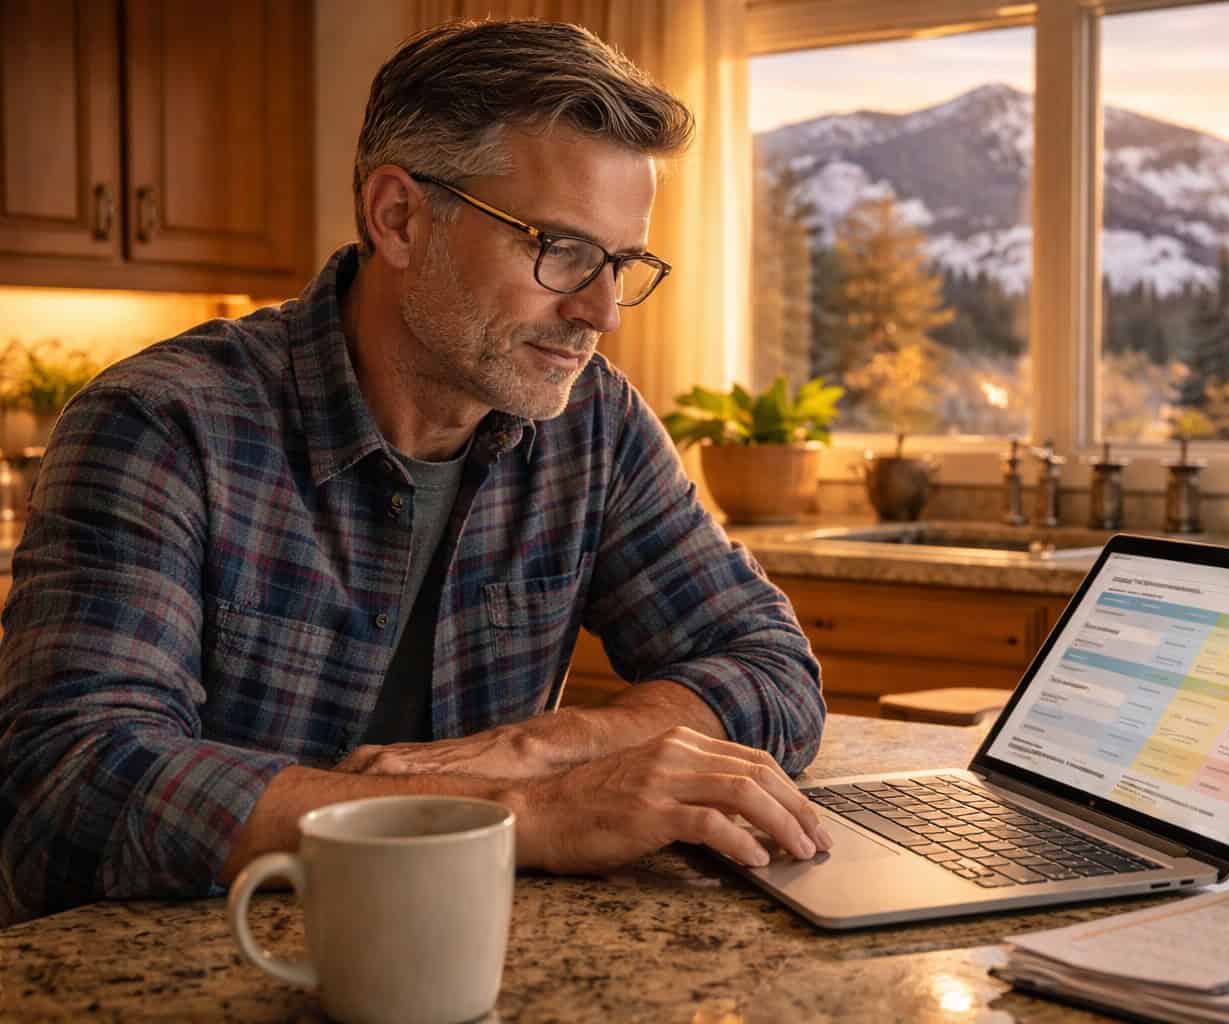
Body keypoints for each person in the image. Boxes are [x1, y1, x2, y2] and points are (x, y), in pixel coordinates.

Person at [0, 18, 829, 927]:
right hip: (215, 960)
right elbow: (69, 781)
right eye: (559, 249)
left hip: (463, 949)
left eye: (622, 263)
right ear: (398, 217)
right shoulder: (164, 422)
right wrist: (513, 814)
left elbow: (772, 668)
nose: (601, 312)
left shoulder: (594, 424)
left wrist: (542, 746)